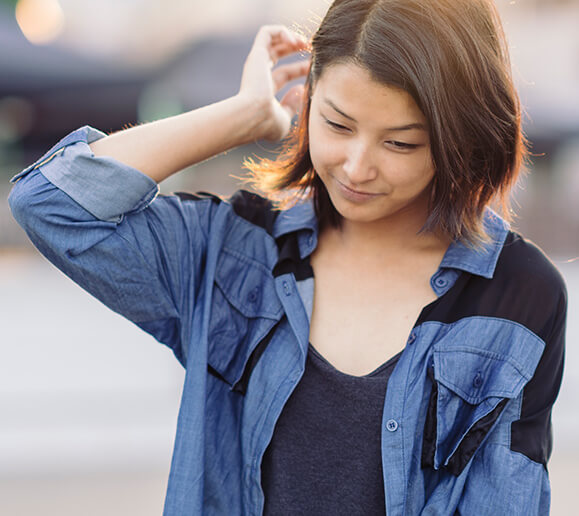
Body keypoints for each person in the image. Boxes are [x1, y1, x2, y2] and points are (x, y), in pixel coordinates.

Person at [9, 0, 566, 514]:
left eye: (400, 143)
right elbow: (52, 203)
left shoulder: (519, 294)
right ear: (308, 95)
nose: (356, 167)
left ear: (460, 137)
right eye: (337, 124)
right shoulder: (234, 251)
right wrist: (242, 116)